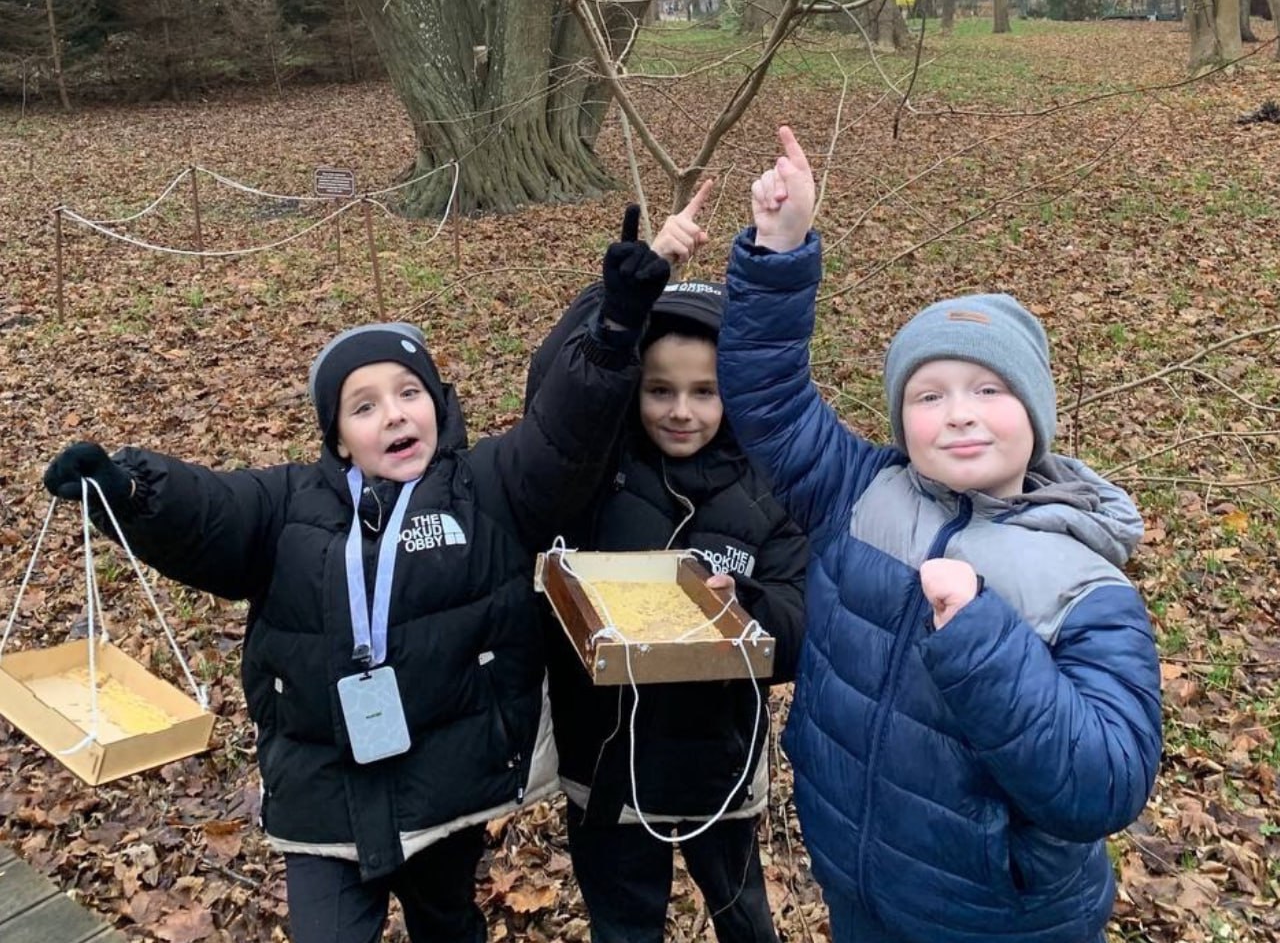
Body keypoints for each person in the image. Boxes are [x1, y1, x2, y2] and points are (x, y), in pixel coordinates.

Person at [41, 207, 672, 943]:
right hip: (323, 797)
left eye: (410, 393)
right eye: (364, 406)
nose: (394, 416)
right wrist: (129, 490)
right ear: (337, 436)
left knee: (448, 921)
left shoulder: (486, 488)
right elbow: (209, 512)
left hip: (446, 786)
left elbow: (563, 436)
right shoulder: (286, 505)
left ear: (437, 406)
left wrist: (618, 324)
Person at [714, 127, 1163, 943]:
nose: (957, 411)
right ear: (901, 420)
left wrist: (983, 639)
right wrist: (779, 251)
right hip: (857, 880)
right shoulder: (859, 491)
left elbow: (1105, 784)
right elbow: (768, 398)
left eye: (988, 388)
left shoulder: (1081, 582)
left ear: (1035, 416)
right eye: (929, 394)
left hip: (999, 918)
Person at [525, 184, 806, 943]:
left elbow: (801, 614)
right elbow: (556, 394)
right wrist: (615, 302)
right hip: (607, 766)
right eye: (659, 390)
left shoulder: (763, 490)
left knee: (744, 917)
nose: (681, 410)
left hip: (719, 766)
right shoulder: (595, 473)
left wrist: (744, 608)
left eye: (705, 392)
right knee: (624, 922)